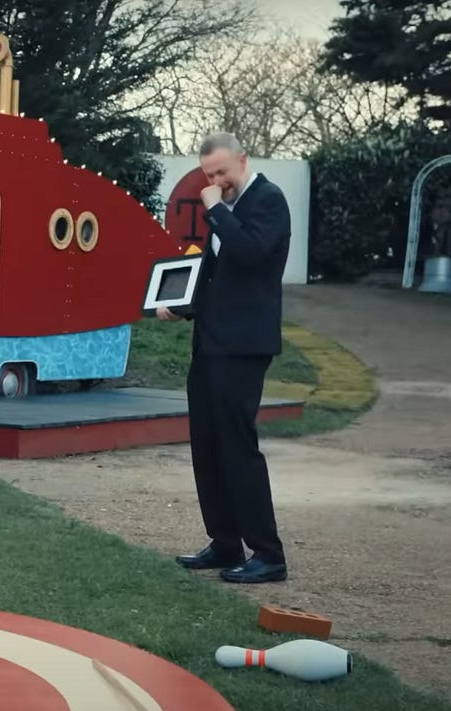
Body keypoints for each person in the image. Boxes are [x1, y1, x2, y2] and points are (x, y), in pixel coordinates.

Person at [156, 132, 289, 584]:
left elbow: (249, 255)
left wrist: (214, 208)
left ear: (243, 160)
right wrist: (180, 306)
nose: (215, 181)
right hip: (210, 343)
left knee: (237, 447)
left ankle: (268, 553)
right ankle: (225, 542)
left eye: (222, 172)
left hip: (244, 347)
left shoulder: (269, 201)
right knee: (207, 446)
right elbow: (215, 278)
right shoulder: (224, 212)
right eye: (208, 175)